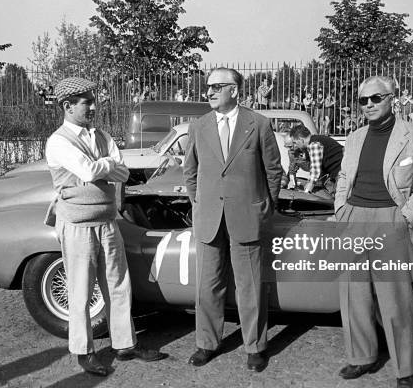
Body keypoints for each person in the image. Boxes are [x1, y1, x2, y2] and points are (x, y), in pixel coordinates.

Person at [44, 77, 165, 376]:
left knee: (118, 284)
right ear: (67, 105)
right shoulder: (58, 141)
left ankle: (125, 345)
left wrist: (104, 166)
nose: (93, 106)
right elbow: (88, 169)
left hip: (107, 221)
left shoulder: (102, 135)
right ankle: (84, 352)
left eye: (92, 99)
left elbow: (123, 174)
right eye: (86, 101)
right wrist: (106, 164)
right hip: (77, 225)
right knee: (81, 291)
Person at [334, 75, 413, 388]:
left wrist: (406, 217)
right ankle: (360, 357)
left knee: (396, 298)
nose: (368, 105)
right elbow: (343, 176)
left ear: (393, 98)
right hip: (353, 216)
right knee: (354, 294)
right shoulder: (353, 138)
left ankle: (404, 369)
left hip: (392, 218)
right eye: (363, 100)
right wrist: (341, 208)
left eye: (375, 98)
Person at [183, 67, 282, 372]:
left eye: (216, 87)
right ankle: (206, 343)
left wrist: (265, 206)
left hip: (247, 216)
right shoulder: (198, 127)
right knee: (207, 286)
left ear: (235, 90)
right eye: (207, 87)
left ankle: (255, 346)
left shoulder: (259, 124)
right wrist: (199, 204)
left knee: (250, 286)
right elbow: (190, 172)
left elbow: (274, 171)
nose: (208, 92)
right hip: (210, 218)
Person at [287, 124, 343, 197]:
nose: (295, 145)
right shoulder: (316, 140)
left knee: (340, 199)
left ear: (301, 140)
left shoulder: (314, 145)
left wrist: (307, 190)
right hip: (339, 171)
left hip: (342, 172)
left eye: (295, 142)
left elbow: (315, 170)